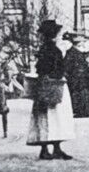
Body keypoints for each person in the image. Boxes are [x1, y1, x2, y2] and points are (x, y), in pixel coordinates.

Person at [27, 20, 75, 160]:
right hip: (53, 86)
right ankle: (52, 148)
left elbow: (39, 68)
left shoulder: (46, 49)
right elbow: (53, 68)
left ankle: (50, 148)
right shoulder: (53, 50)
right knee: (54, 117)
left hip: (46, 85)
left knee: (47, 117)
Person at [64, 32, 89, 118]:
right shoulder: (72, 53)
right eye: (82, 42)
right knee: (80, 94)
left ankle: (84, 110)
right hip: (77, 80)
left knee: (83, 94)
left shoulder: (76, 53)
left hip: (81, 79)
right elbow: (68, 67)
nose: (83, 43)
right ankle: (81, 111)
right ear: (78, 43)